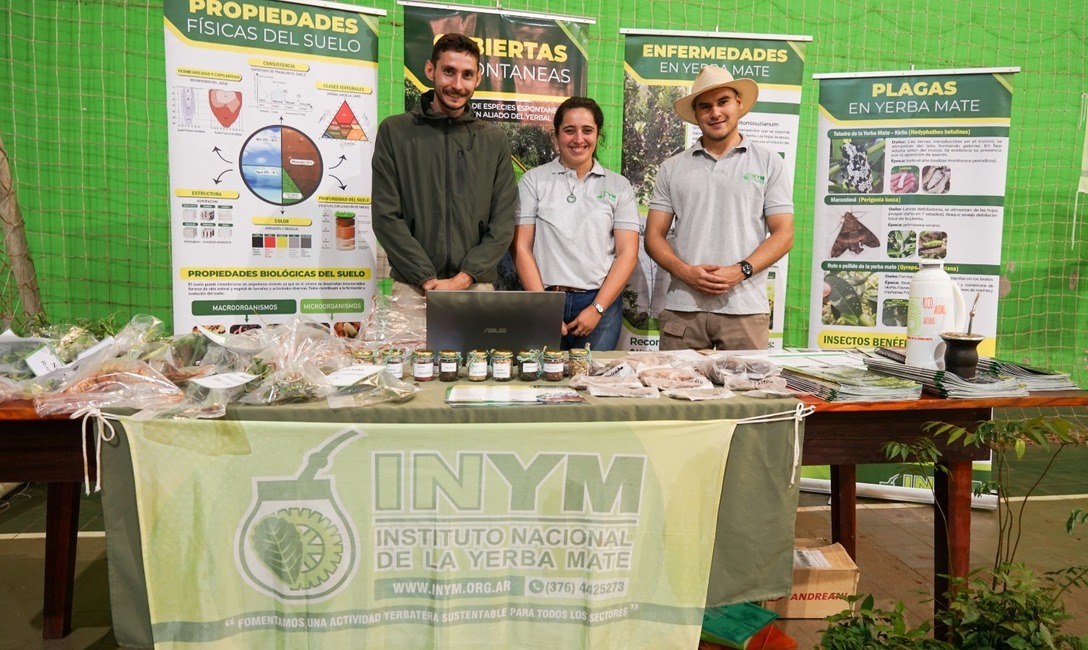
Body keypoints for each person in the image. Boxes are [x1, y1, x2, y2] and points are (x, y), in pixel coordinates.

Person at [644, 65, 794, 350]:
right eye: (705, 106)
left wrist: (741, 270)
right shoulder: (672, 167)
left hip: (745, 310)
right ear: (696, 114)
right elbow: (653, 236)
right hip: (683, 309)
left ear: (739, 103)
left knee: (747, 395)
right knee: (674, 393)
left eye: (723, 101)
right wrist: (685, 272)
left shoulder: (768, 162)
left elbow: (784, 234)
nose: (715, 113)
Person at [372, 33, 517, 295]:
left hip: (475, 286)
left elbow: (503, 221)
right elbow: (385, 216)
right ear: (430, 69)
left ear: (478, 77)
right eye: (449, 71)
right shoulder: (394, 132)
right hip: (412, 287)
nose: (457, 85)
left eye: (467, 75)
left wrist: (464, 278)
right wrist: (425, 278)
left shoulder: (494, 141)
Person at [513, 97, 639, 351]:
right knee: (541, 382)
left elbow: (628, 253)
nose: (578, 139)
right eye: (569, 130)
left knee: (592, 384)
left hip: (599, 304)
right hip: (545, 298)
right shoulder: (533, 181)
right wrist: (543, 308)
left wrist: (597, 308)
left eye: (587, 131)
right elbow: (520, 247)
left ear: (598, 135)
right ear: (556, 136)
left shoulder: (618, 186)